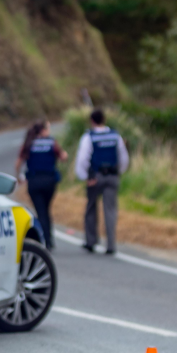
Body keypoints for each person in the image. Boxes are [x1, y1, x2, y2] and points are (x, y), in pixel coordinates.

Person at [73, 109, 129, 254]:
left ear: (92, 121)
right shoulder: (115, 135)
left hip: (95, 177)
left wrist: (84, 177)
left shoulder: (88, 137)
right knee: (110, 210)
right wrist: (119, 172)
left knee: (91, 208)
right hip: (112, 176)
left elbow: (83, 159)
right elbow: (123, 156)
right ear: (104, 119)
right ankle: (111, 245)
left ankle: (91, 241)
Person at [16, 119, 67, 250]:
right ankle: (49, 240)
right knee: (46, 209)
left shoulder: (28, 143)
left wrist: (19, 177)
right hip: (50, 181)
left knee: (41, 210)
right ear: (43, 130)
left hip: (34, 181)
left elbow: (18, 163)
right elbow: (63, 156)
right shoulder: (52, 142)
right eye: (48, 128)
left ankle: (46, 240)